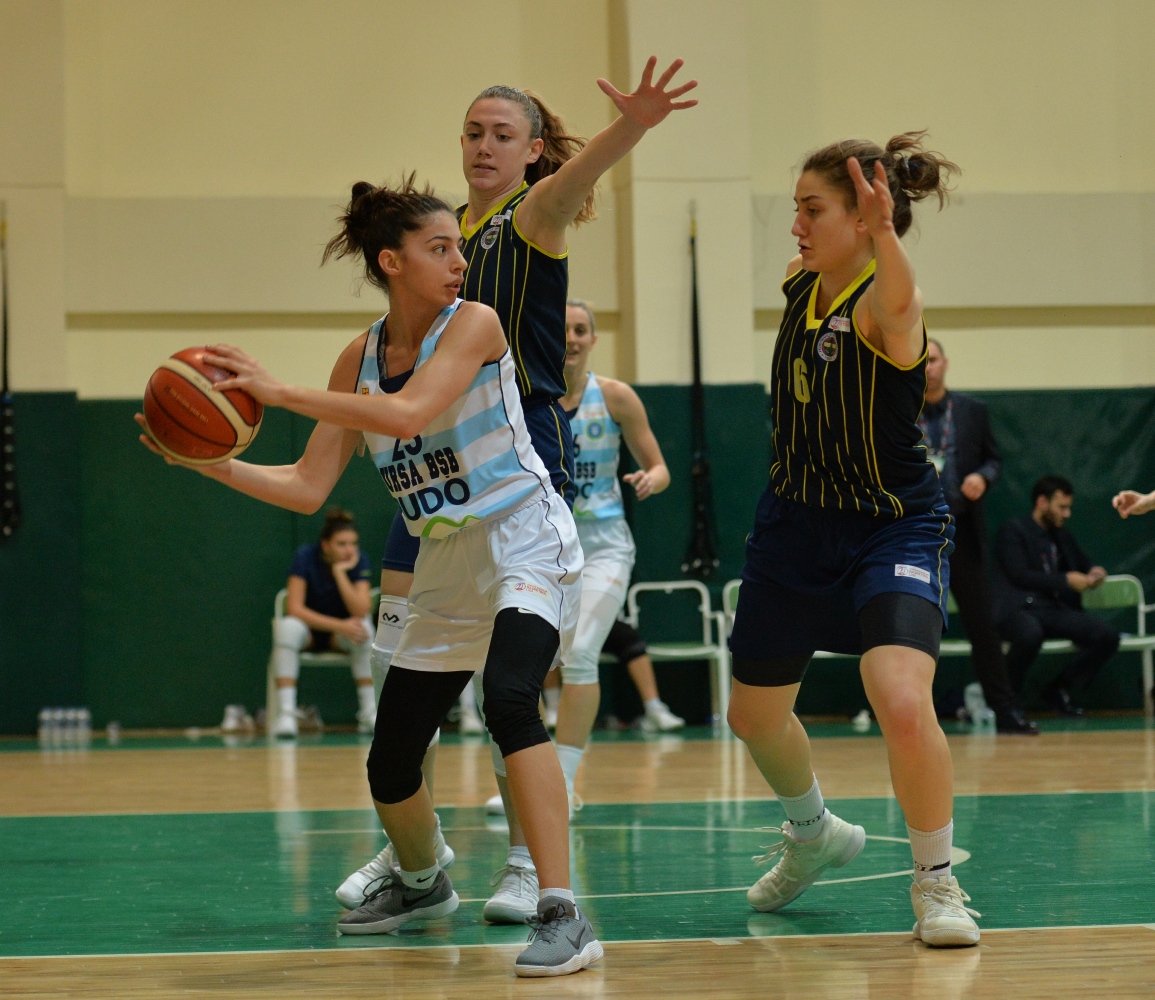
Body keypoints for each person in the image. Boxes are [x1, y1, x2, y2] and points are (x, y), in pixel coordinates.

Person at [137, 178, 599, 977]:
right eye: (438, 248)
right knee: (390, 760)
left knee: (510, 698)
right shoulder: (358, 358)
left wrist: (278, 392)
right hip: (445, 559)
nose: (458, 261)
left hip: (524, 538)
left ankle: (562, 911)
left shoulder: (476, 323)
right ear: (391, 261)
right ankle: (421, 883)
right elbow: (307, 485)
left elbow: (409, 413)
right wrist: (209, 463)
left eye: (458, 246)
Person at [344, 59, 698, 916]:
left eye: (503, 134)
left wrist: (633, 124)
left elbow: (578, 179)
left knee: (514, 681)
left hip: (515, 445)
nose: (483, 146)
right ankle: (411, 844)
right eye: (472, 132)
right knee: (395, 652)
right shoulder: (446, 235)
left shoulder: (530, 216)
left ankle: (522, 861)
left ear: (533, 150)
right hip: (430, 456)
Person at [725, 133, 982, 947]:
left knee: (900, 698)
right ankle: (812, 834)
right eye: (796, 208)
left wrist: (883, 235)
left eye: (812, 210)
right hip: (794, 524)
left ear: (862, 219)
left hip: (891, 524)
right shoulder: (800, 281)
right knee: (751, 716)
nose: (795, 225)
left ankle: (935, 882)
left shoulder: (886, 303)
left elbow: (901, 299)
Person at [920, 340, 1036, 735]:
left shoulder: (972, 410)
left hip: (962, 532)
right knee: (912, 626)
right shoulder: (897, 410)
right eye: (921, 361)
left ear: (945, 364)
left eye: (933, 360)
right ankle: (911, 715)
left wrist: (982, 478)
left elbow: (994, 460)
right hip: (914, 534)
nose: (927, 368)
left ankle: (1005, 711)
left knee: (982, 626)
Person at [993, 475, 1119, 715]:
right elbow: (1019, 575)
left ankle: (1058, 690)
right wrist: (1065, 581)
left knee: (1107, 636)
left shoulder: (1061, 536)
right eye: (1062, 507)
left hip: (1051, 610)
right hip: (1018, 610)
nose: (1067, 513)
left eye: (1069, 507)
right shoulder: (1013, 531)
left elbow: (1084, 563)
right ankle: (1006, 702)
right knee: (1029, 634)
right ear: (1042, 502)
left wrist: (1095, 572)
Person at [271, 507, 375, 738]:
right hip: (308, 633)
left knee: (365, 628)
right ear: (326, 545)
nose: (349, 550)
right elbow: (294, 608)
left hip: (339, 638)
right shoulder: (305, 556)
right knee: (286, 628)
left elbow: (361, 609)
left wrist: (340, 573)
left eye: (353, 544)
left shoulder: (359, 561)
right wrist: (339, 625)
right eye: (342, 544)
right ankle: (286, 715)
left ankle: (369, 714)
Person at [541, 618, 686, 732]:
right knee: (550, 637)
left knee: (629, 637)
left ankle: (654, 709)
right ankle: (554, 709)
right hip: (564, 621)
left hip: (596, 620)